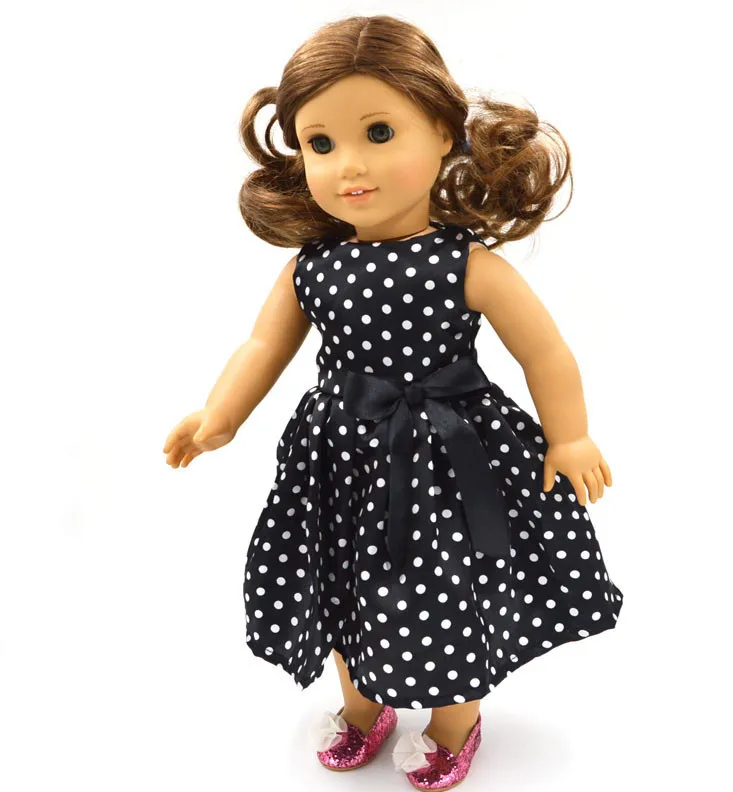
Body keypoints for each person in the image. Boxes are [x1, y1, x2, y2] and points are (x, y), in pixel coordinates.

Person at [162, 14, 623, 790]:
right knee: (340, 582)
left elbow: (544, 350)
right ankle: (362, 705)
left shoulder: (467, 264)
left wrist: (569, 437)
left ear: (443, 133)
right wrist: (220, 417)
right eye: (320, 143)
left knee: (446, 588)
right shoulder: (311, 268)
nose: (350, 165)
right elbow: (263, 346)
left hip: (447, 457)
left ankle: (453, 723)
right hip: (338, 457)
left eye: (379, 133)